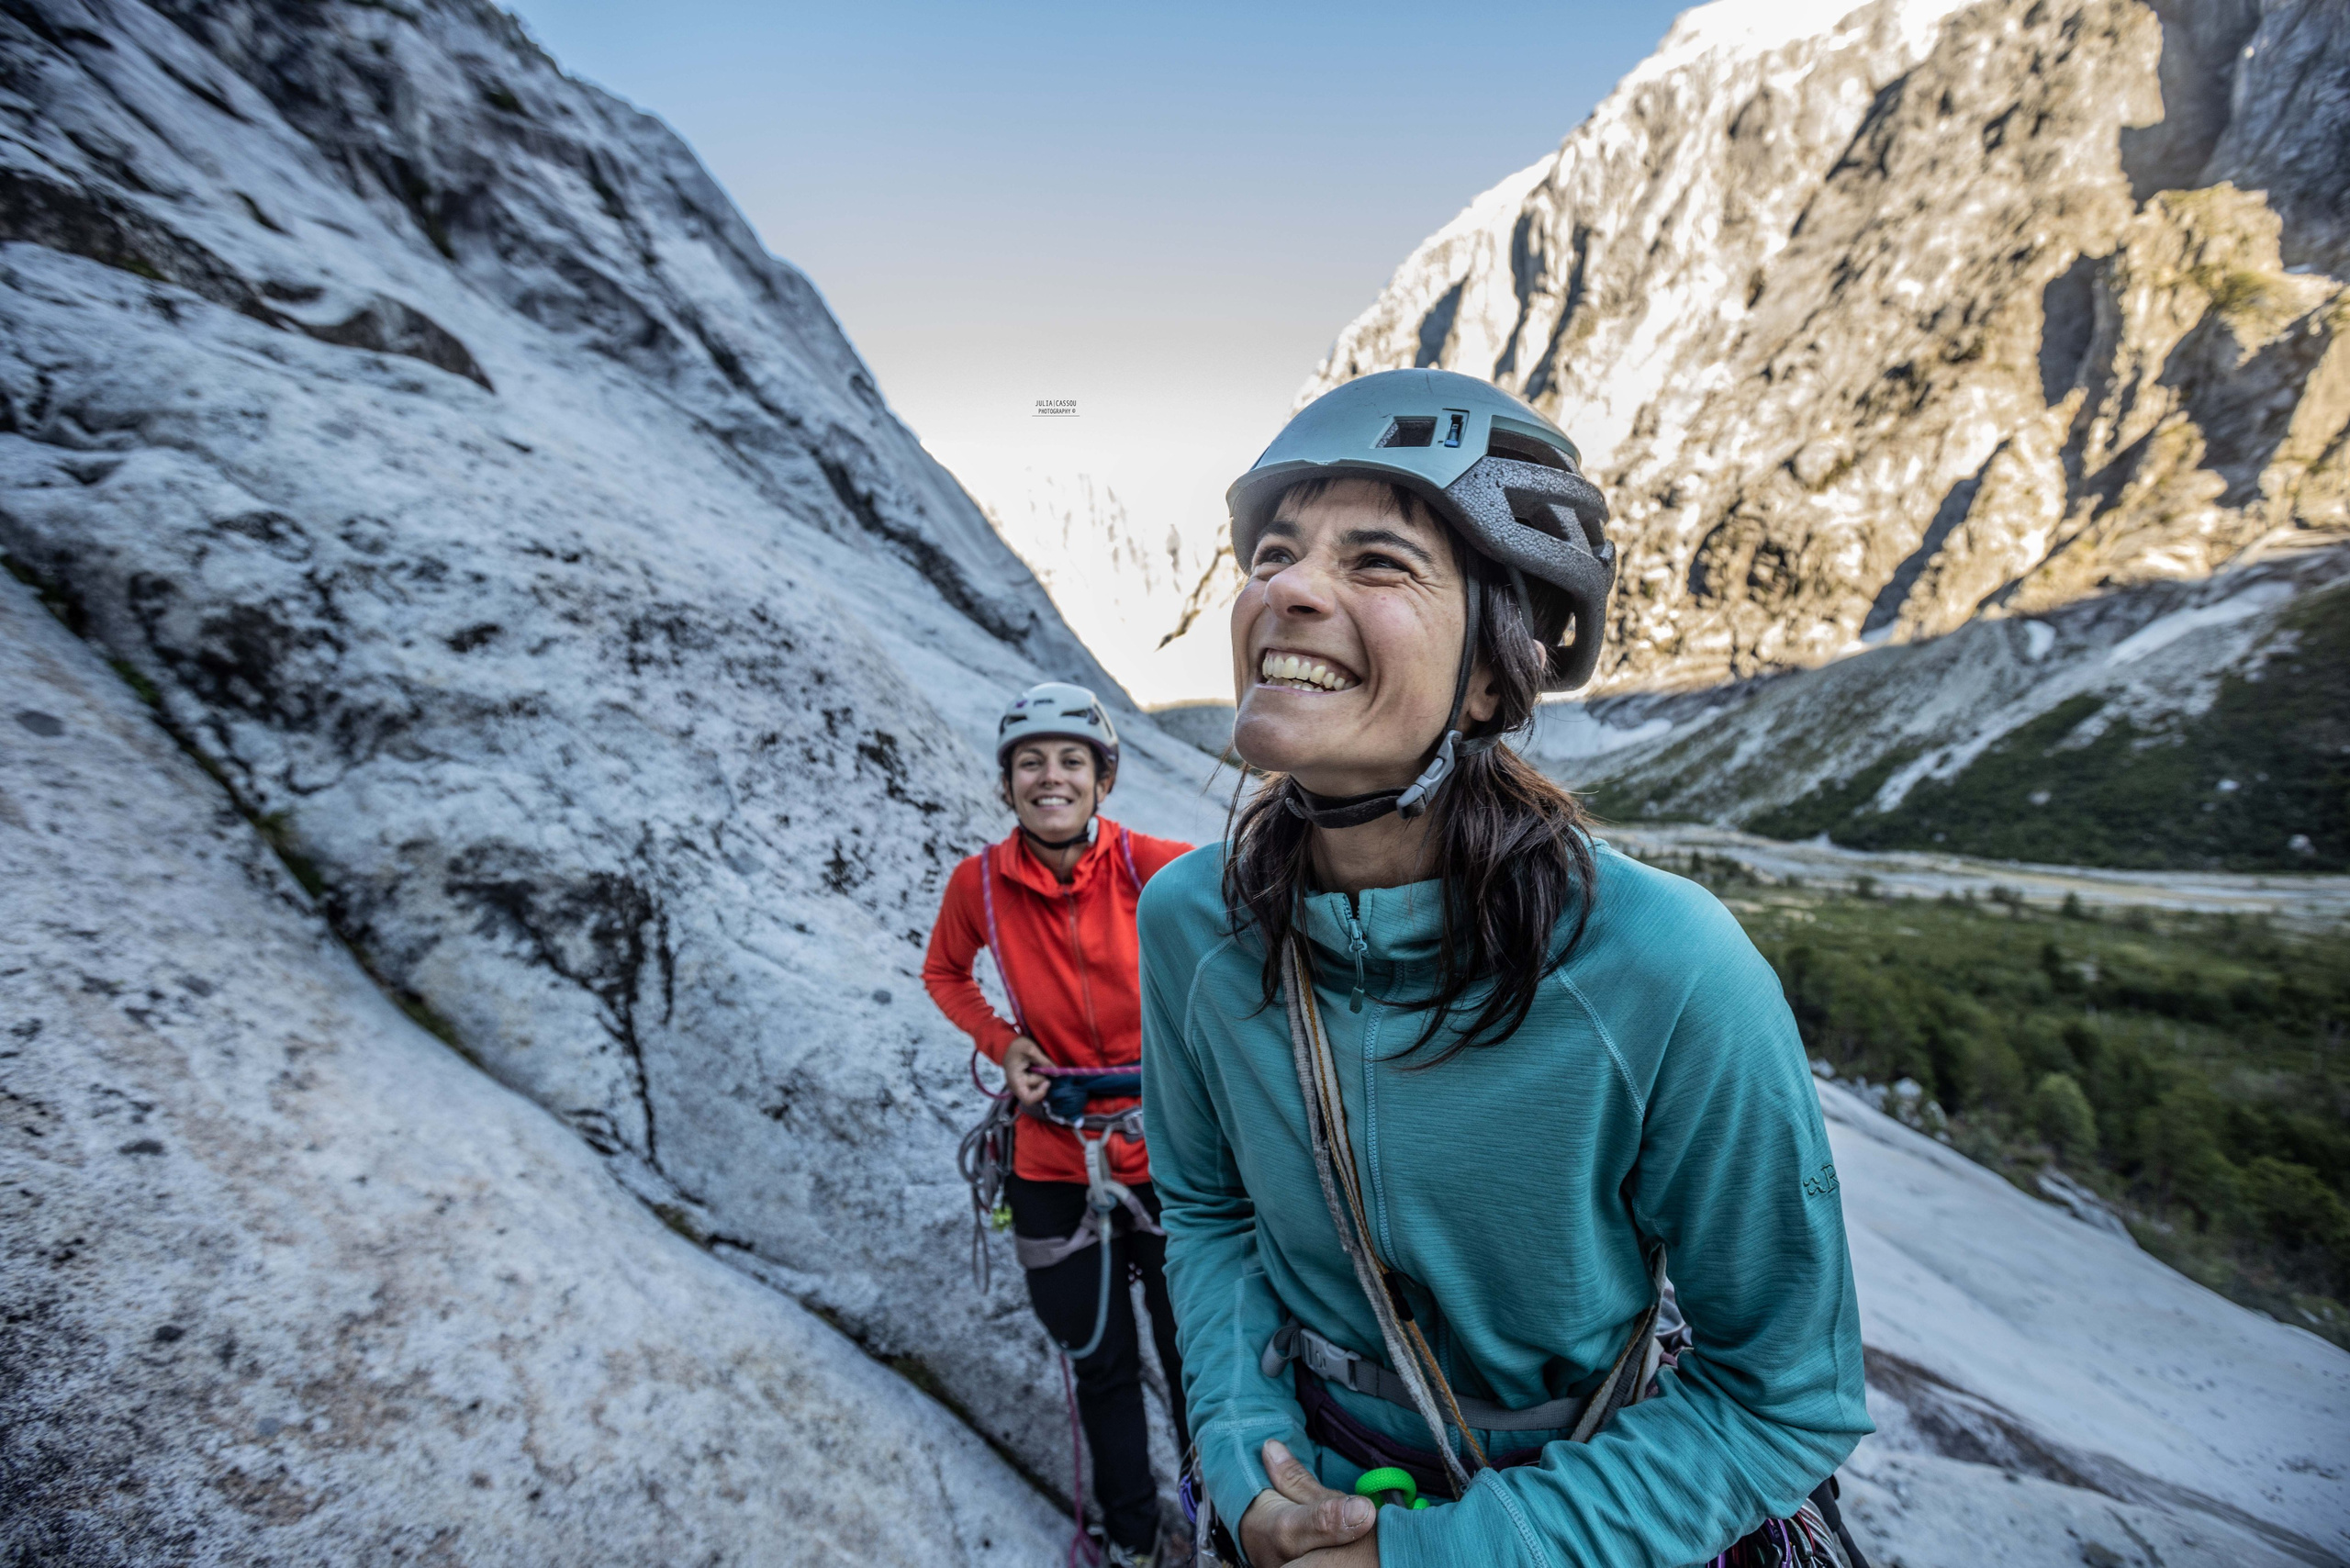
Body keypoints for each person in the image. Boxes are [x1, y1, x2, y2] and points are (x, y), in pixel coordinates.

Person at [1139, 370, 1871, 1568]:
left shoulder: (1666, 969)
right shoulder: (1189, 925)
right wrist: (1245, 1465)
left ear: (1492, 674)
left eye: (1378, 564)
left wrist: (1440, 1555)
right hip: (1304, 1488)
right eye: (1273, 554)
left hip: (1582, 1517)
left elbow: (1784, 1395)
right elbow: (1212, 1211)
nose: (1285, 591)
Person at [923, 682, 1196, 1567]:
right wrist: (1003, 1044)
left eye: (1070, 761)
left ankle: (1221, 1518)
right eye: (1031, 763)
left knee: (1197, 1359)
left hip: (1165, 1155)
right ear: (1008, 784)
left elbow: (1247, 911)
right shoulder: (981, 887)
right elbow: (944, 974)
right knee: (1099, 1360)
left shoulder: (1150, 865)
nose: (1051, 777)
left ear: (1101, 779)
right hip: (1050, 1157)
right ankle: (1130, 1536)